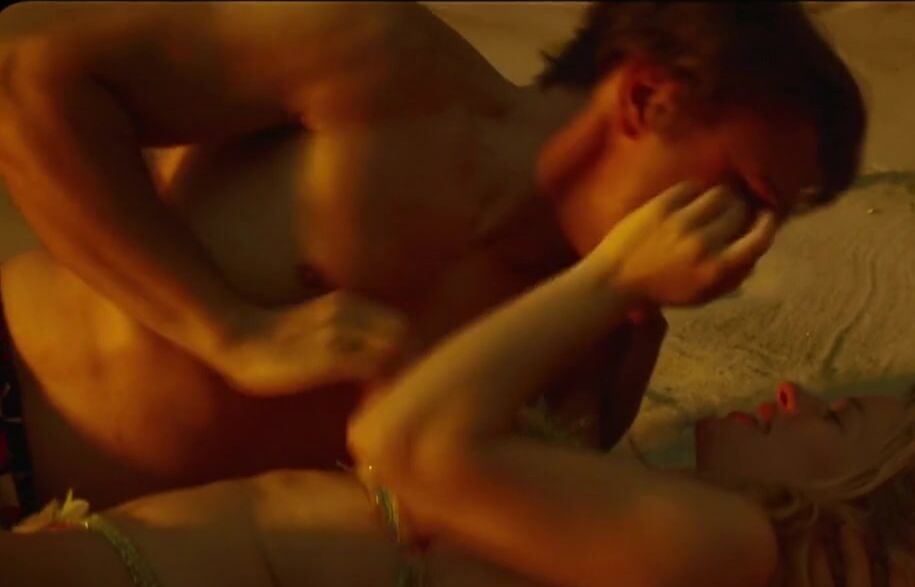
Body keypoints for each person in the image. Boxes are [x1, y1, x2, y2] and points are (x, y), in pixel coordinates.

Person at [0, 184, 915, 587]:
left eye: (836, 421)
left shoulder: (727, 555)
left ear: (854, 527)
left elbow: (402, 442)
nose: (796, 394)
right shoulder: (686, 567)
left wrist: (614, 277)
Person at [0, 1, 866, 521]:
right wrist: (230, 331)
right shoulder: (377, 64)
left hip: (84, 575)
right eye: (747, 193)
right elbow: (29, 85)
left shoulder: (600, 350)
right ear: (649, 100)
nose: (750, 247)